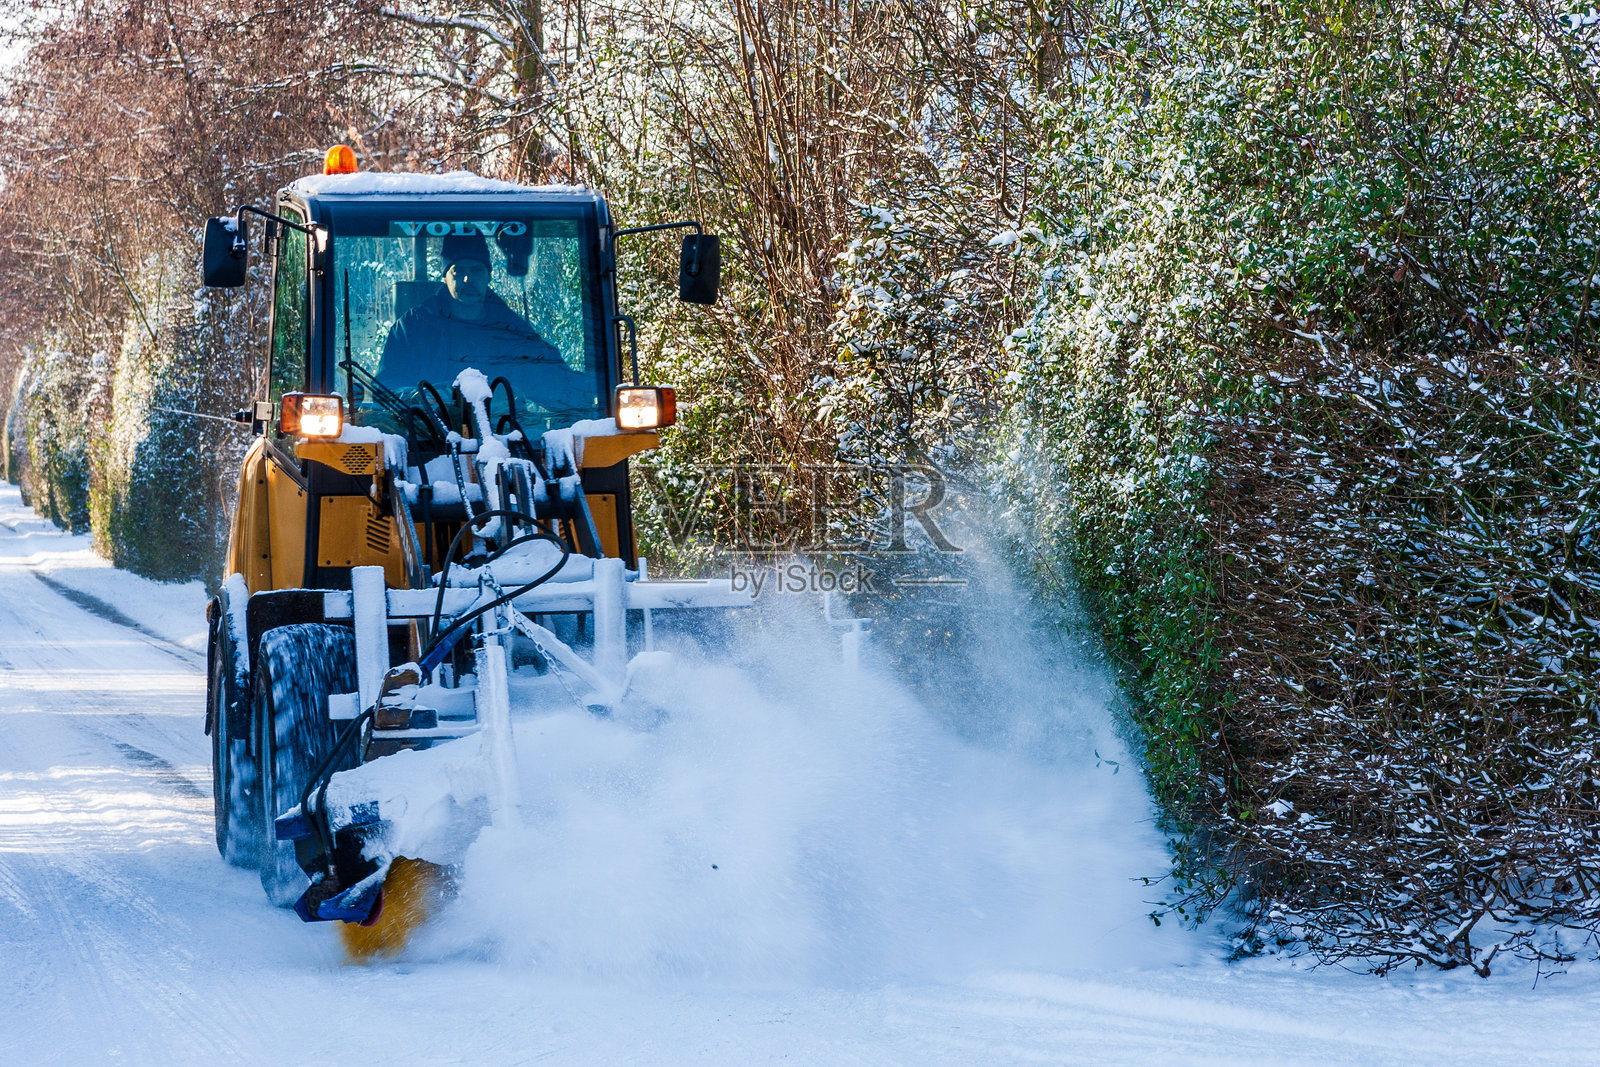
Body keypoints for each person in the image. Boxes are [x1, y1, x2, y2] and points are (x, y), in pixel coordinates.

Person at [380, 232, 598, 422]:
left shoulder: (511, 330)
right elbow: (386, 392)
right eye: (458, 270)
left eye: (476, 270)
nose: (467, 278)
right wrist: (423, 397)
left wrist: (596, 393)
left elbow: (550, 379)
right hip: (425, 446)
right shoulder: (412, 328)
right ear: (445, 276)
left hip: (508, 445)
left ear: (488, 275)